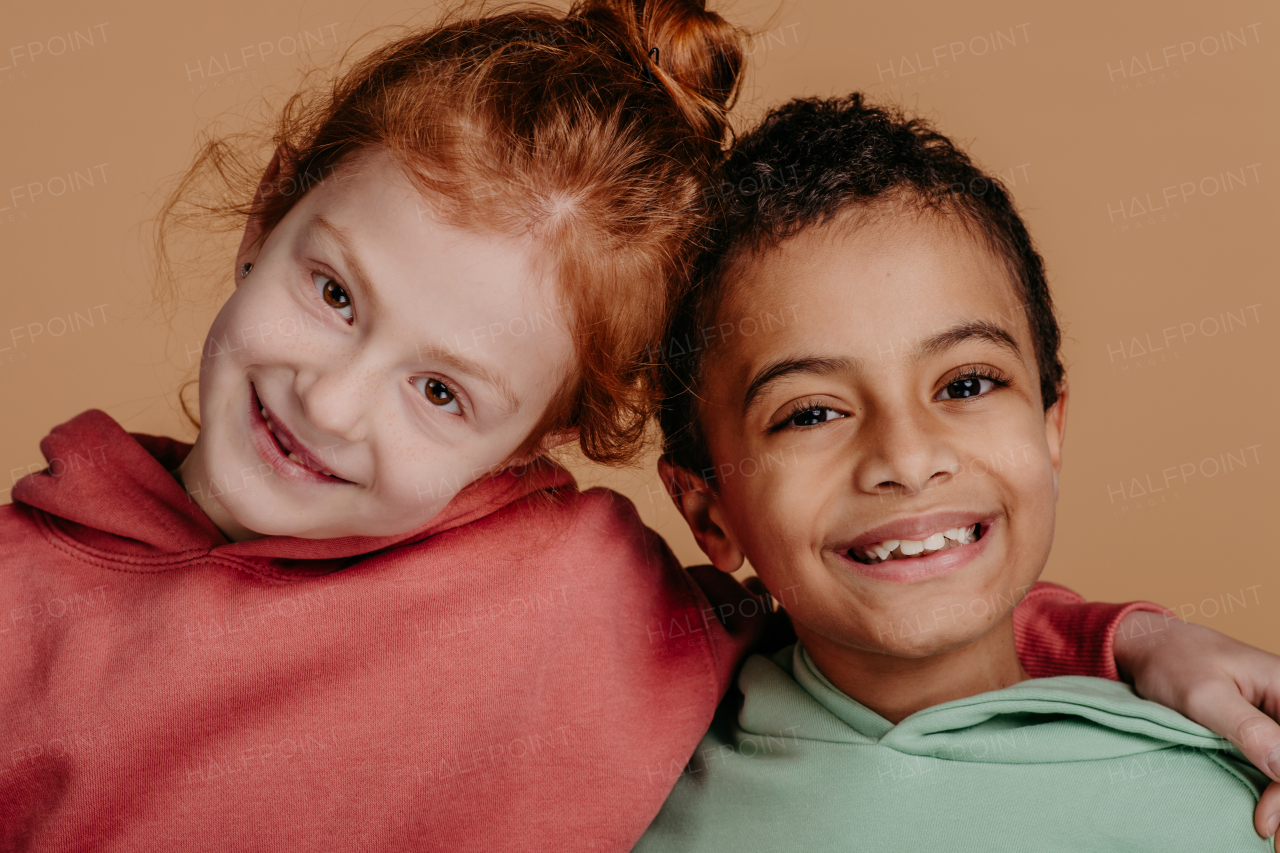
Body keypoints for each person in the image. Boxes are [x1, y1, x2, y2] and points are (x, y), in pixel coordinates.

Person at [0, 8, 1275, 850]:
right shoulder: (17, 602)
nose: (330, 402)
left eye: (442, 392)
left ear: (531, 447)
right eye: (332, 294)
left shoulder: (575, 587)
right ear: (268, 213)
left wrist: (1131, 642)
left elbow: (888, 590)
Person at [639, 93, 1280, 850]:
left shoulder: (1228, 802)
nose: (908, 460)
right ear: (708, 511)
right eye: (810, 413)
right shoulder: (626, 791)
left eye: (967, 384)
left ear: (1051, 431)